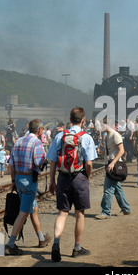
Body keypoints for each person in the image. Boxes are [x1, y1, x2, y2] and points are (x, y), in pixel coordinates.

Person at [47, 107, 97, 262]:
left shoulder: (60, 136)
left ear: (70, 119)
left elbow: (53, 162)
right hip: (79, 177)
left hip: (63, 178)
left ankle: (56, 244)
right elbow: (88, 163)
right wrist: (87, 177)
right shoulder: (87, 137)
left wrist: (52, 181)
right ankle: (77, 247)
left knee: (62, 213)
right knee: (79, 213)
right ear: (83, 120)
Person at [5, 119, 51, 256]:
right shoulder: (37, 143)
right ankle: (10, 245)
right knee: (24, 211)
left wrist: (13, 180)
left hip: (18, 178)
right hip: (29, 180)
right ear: (40, 130)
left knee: (33, 209)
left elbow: (11, 164)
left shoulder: (18, 141)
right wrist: (45, 158)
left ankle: (42, 239)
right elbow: (38, 161)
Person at [95, 117, 131, 219]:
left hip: (114, 165)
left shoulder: (115, 135)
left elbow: (121, 150)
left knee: (108, 189)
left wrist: (112, 163)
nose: (101, 127)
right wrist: (101, 153)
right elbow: (111, 151)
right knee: (117, 189)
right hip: (109, 163)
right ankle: (126, 208)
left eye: (102, 125)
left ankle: (106, 211)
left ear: (108, 124)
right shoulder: (107, 136)